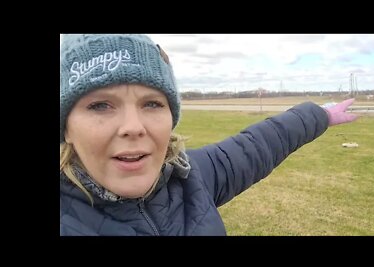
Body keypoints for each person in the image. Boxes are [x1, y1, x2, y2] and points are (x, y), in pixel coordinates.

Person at [60, 34, 358, 236]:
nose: (134, 126)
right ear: (66, 128)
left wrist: (319, 115)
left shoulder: (190, 178)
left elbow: (258, 145)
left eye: (152, 103)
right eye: (100, 105)